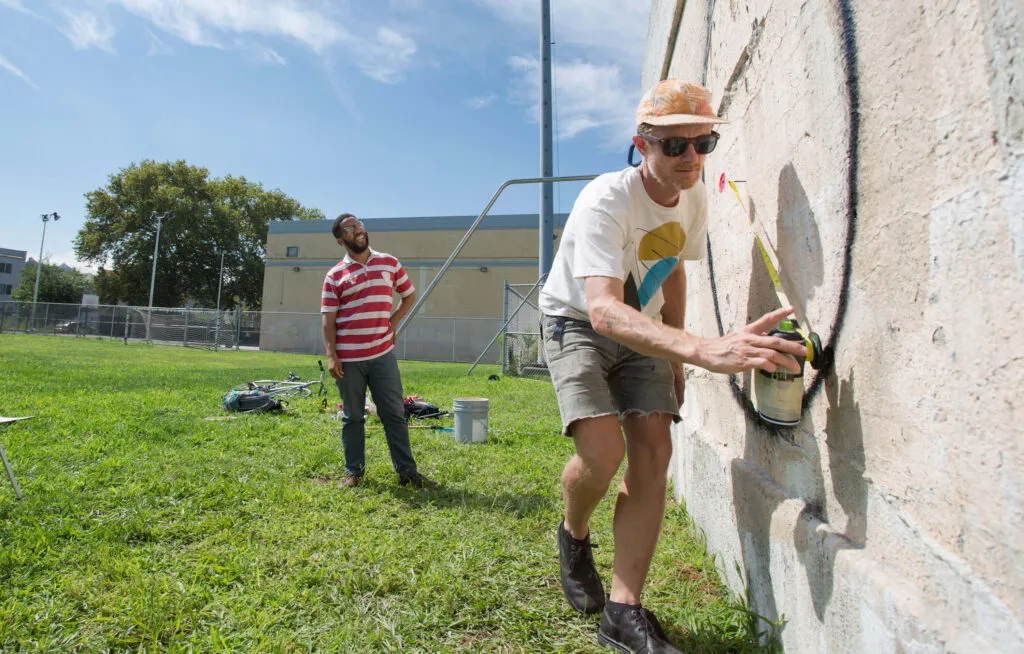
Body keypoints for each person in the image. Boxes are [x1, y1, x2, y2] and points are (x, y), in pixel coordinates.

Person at [538, 80, 806, 653]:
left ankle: (623, 608)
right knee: (603, 451)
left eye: (703, 144)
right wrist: (704, 350)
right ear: (643, 144)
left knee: (654, 450)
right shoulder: (605, 199)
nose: (690, 159)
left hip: (646, 329)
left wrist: (677, 349)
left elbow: (674, 267)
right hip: (578, 322)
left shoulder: (697, 197)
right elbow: (605, 310)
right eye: (674, 146)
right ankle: (574, 532)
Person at [321, 213, 438, 490]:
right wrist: (331, 354)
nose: (357, 229)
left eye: (358, 223)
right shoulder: (335, 275)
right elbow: (328, 318)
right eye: (350, 228)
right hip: (348, 359)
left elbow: (408, 294)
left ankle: (408, 473)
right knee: (352, 416)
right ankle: (354, 474)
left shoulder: (389, 262)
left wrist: (393, 322)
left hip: (382, 354)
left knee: (394, 414)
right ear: (341, 240)